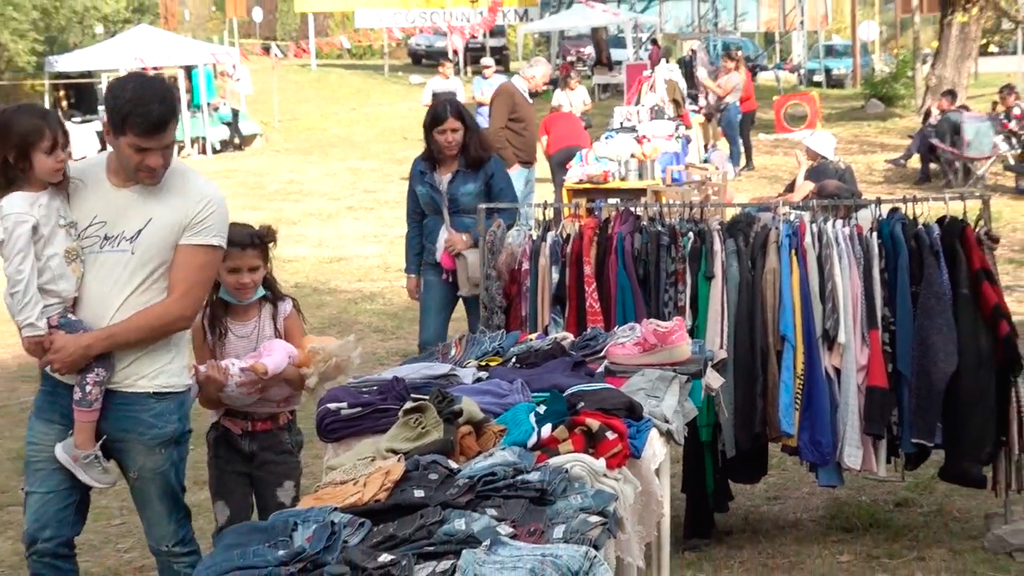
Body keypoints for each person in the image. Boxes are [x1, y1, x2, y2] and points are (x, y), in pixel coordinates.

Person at [23, 71, 228, 574]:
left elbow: (182, 307)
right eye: (141, 148)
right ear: (108, 131)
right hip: (61, 391)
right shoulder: (67, 182)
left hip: (150, 397)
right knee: (44, 540)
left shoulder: (201, 199)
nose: (157, 161)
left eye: (167, 146)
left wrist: (88, 345)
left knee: (171, 546)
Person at [0, 104, 118, 490]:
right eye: (51, 151)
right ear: (17, 157)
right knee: (97, 356)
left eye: (64, 147)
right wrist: (32, 326)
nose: (63, 157)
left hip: (63, 305)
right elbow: (18, 273)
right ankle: (81, 445)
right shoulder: (16, 210)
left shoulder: (52, 194)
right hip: (48, 312)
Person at [192, 223, 307, 537]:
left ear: (266, 268)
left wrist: (278, 370)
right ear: (216, 270)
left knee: (282, 527)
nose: (245, 279)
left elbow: (306, 378)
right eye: (233, 270)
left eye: (254, 269)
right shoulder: (205, 320)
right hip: (227, 438)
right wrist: (213, 386)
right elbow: (207, 399)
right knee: (232, 529)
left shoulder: (282, 312)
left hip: (278, 434)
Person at [405, 100, 518, 353]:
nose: (449, 138)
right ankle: (436, 389)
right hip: (435, 265)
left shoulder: (487, 163)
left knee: (483, 340)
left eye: (455, 131)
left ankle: (480, 389)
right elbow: (414, 221)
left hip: (479, 264)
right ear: (430, 134)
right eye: (441, 132)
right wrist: (412, 271)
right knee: (429, 342)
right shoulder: (421, 167)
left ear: (466, 130)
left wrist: (471, 238)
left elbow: (509, 211)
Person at [488, 56, 552, 226]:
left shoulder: (525, 95)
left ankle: (524, 251)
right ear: (532, 78)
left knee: (526, 219)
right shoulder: (507, 92)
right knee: (509, 218)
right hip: (513, 168)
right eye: (543, 82)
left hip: (527, 165)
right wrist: (511, 162)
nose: (544, 87)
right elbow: (495, 131)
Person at [885, 88, 958, 172]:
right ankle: (907, 161)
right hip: (945, 145)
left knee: (923, 135)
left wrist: (934, 115)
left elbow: (936, 129)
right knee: (923, 137)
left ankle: (905, 159)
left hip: (946, 147)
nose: (938, 102)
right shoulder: (950, 113)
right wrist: (930, 112)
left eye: (941, 100)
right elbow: (927, 124)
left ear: (947, 102)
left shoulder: (949, 115)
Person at [777, 130, 860, 202]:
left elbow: (796, 196)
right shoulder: (841, 166)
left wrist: (802, 167)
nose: (806, 150)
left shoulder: (822, 168)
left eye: (809, 147)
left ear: (816, 150)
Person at [698, 50, 744, 171]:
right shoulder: (726, 75)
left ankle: (735, 166)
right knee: (728, 138)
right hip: (724, 110)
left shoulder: (735, 76)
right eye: (723, 61)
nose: (723, 64)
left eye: (726, 62)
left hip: (731, 109)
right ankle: (732, 164)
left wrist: (707, 83)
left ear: (734, 63)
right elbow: (716, 86)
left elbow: (723, 92)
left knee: (733, 139)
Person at [539, 103, 592, 202]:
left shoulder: (546, 120)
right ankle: (589, 213)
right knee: (585, 183)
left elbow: (544, 143)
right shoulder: (573, 116)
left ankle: (559, 216)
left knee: (560, 187)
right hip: (581, 148)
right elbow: (583, 130)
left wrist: (551, 160)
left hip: (558, 150)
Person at [472, 57, 508, 129]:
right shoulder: (477, 80)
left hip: (500, 117)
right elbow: (478, 98)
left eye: (488, 68)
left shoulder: (502, 79)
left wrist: (488, 100)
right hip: (483, 118)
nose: (485, 71)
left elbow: (506, 97)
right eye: (483, 68)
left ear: (494, 68)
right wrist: (496, 100)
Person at [736, 49, 757, 172]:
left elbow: (747, 94)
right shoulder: (736, 74)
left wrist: (734, 96)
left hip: (747, 108)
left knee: (745, 135)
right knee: (740, 135)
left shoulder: (744, 74)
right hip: (741, 107)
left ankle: (749, 162)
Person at [216, 68, 245, 152]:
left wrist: (220, 101)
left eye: (221, 79)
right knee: (236, 127)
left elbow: (227, 98)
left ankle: (230, 145)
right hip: (237, 106)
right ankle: (242, 142)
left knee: (231, 128)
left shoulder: (227, 86)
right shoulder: (233, 83)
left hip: (230, 107)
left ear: (224, 77)